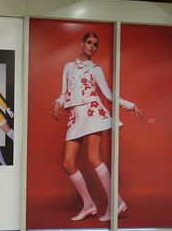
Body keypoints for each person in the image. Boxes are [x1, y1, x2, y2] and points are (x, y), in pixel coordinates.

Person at [51, 32, 143, 222]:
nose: (92, 47)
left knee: (94, 157)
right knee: (68, 163)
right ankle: (89, 204)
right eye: (89, 43)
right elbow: (64, 92)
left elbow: (108, 95)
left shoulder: (95, 68)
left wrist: (130, 105)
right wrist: (57, 102)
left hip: (93, 112)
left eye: (95, 44)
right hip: (76, 116)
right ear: (82, 43)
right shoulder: (68, 66)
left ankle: (115, 201)